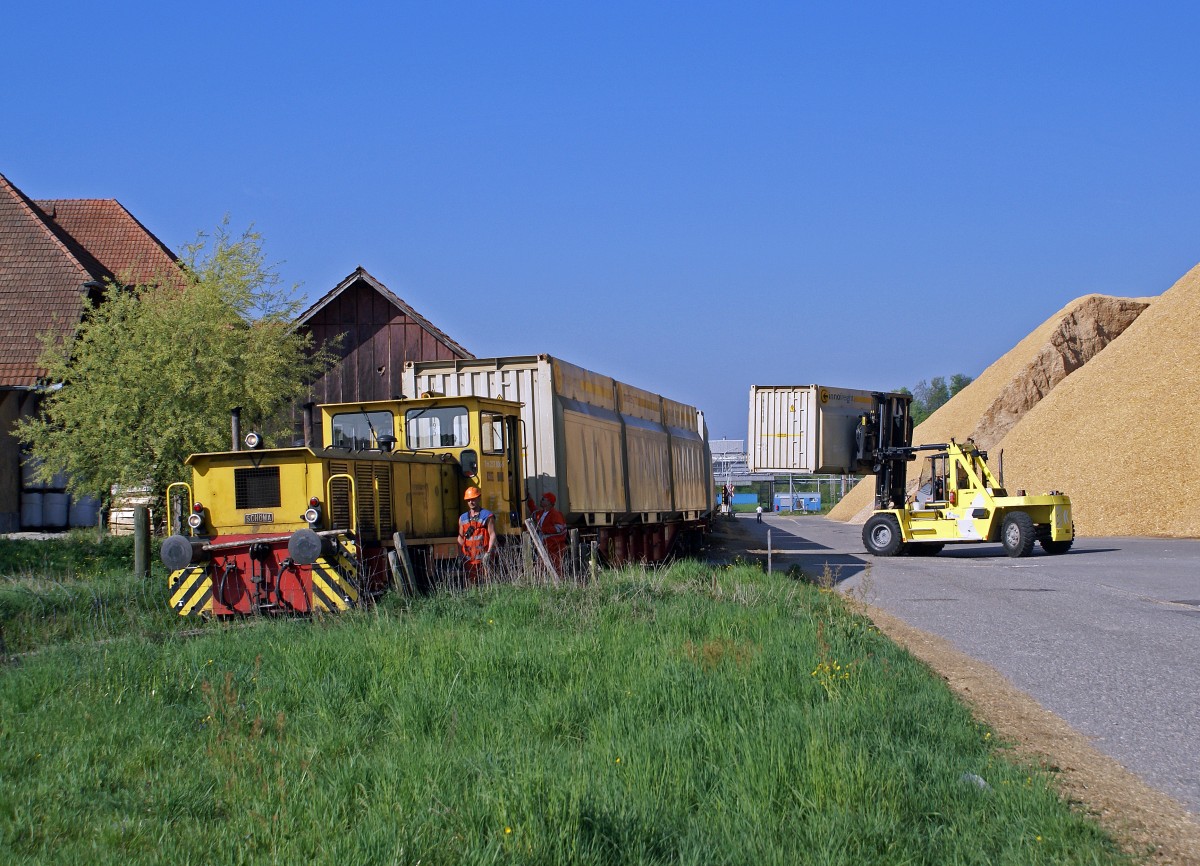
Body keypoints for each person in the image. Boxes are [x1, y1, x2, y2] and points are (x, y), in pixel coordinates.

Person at [458, 486, 497, 586]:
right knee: (471, 584)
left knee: (488, 583)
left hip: (484, 557)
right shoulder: (462, 518)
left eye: (473, 499)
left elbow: (492, 534)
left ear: (479, 498)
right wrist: (461, 554)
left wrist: (488, 553)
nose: (471, 502)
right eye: (468, 500)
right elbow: (460, 537)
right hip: (469, 559)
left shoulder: (487, 516)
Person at [531, 491, 568, 570]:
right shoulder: (541, 513)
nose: (541, 500)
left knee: (556, 566)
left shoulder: (555, 514)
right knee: (542, 566)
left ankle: (559, 581)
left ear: (549, 502)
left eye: (543, 499)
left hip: (553, 546)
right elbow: (533, 511)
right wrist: (529, 499)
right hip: (545, 544)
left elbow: (559, 528)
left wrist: (542, 530)